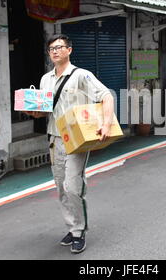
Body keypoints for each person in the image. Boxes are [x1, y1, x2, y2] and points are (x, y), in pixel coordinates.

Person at [25, 34, 114, 254]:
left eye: (60, 47)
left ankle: (80, 230)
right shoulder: (46, 79)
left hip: (76, 139)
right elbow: (45, 110)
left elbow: (107, 96)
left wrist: (106, 123)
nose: (55, 51)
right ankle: (72, 227)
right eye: (51, 49)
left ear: (69, 50)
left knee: (73, 186)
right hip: (55, 139)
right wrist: (32, 111)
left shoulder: (81, 75)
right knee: (60, 188)